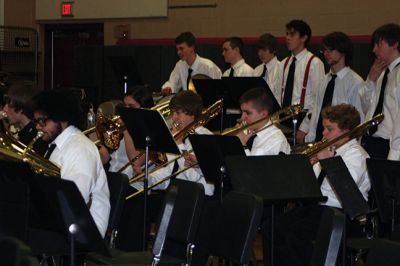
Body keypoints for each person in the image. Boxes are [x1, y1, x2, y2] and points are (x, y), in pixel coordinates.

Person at [263, 104, 370, 266]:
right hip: (318, 207)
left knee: (294, 235)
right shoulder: (328, 149)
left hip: (342, 213)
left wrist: (327, 162)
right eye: (323, 128)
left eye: (329, 129)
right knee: (271, 227)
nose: (323, 133)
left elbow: (346, 190)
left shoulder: (356, 155)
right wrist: (308, 166)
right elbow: (311, 184)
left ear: (346, 132)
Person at [32, 89, 110, 238]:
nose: (37, 127)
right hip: (64, 223)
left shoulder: (80, 149)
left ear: (61, 119)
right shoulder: (58, 145)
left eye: (42, 121)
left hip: (82, 232)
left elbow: (74, 201)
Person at [297, 32, 365, 143]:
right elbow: (315, 110)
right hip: (317, 140)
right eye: (325, 50)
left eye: (331, 50)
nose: (326, 54)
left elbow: (358, 120)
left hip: (339, 143)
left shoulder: (355, 83)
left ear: (343, 51)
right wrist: (306, 132)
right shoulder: (324, 81)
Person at [149, 90, 214, 196]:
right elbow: (169, 172)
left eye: (178, 113)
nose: (173, 118)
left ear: (192, 115)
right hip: (177, 193)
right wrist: (149, 179)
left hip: (198, 197)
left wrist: (179, 145)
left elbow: (193, 177)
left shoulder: (204, 137)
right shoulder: (178, 135)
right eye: (172, 112)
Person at [360, 23, 400, 160]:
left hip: (389, 146)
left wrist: (394, 155)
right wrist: (371, 80)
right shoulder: (383, 73)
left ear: (394, 44)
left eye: (379, 44)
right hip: (372, 141)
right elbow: (367, 108)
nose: (374, 50)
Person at [280, 19, 325, 113]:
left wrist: (306, 125)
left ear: (304, 38)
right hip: (283, 115)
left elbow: (317, 98)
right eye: (287, 34)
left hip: (303, 117)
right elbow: (278, 93)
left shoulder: (314, 63)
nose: (287, 38)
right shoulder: (283, 63)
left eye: (292, 34)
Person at [236, 87, 290, 155]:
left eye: (248, 113)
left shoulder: (276, 141)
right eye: (242, 112)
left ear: (263, 114)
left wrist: (242, 144)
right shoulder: (251, 132)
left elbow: (252, 165)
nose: (242, 118)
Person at [2, 81, 47, 154]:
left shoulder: (34, 137)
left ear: (21, 107)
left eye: (9, 105)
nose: (4, 109)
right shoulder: (25, 132)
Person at [253, 33, 283, 102]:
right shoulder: (257, 70)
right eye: (259, 50)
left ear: (274, 50)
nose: (261, 54)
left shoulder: (280, 68)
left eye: (264, 50)